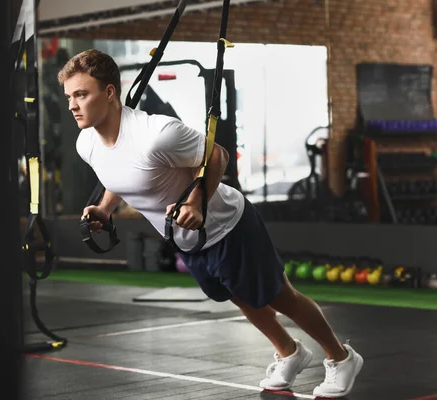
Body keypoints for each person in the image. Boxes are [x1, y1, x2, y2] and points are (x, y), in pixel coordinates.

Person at [57, 49, 363, 398]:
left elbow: (217, 155)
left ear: (110, 92)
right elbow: (120, 172)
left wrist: (196, 202)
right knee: (240, 297)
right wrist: (105, 208)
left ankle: (341, 358)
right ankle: (289, 352)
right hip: (188, 239)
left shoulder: (157, 134)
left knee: (280, 296)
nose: (72, 105)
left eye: (81, 94)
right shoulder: (87, 143)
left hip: (228, 225)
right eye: (69, 96)